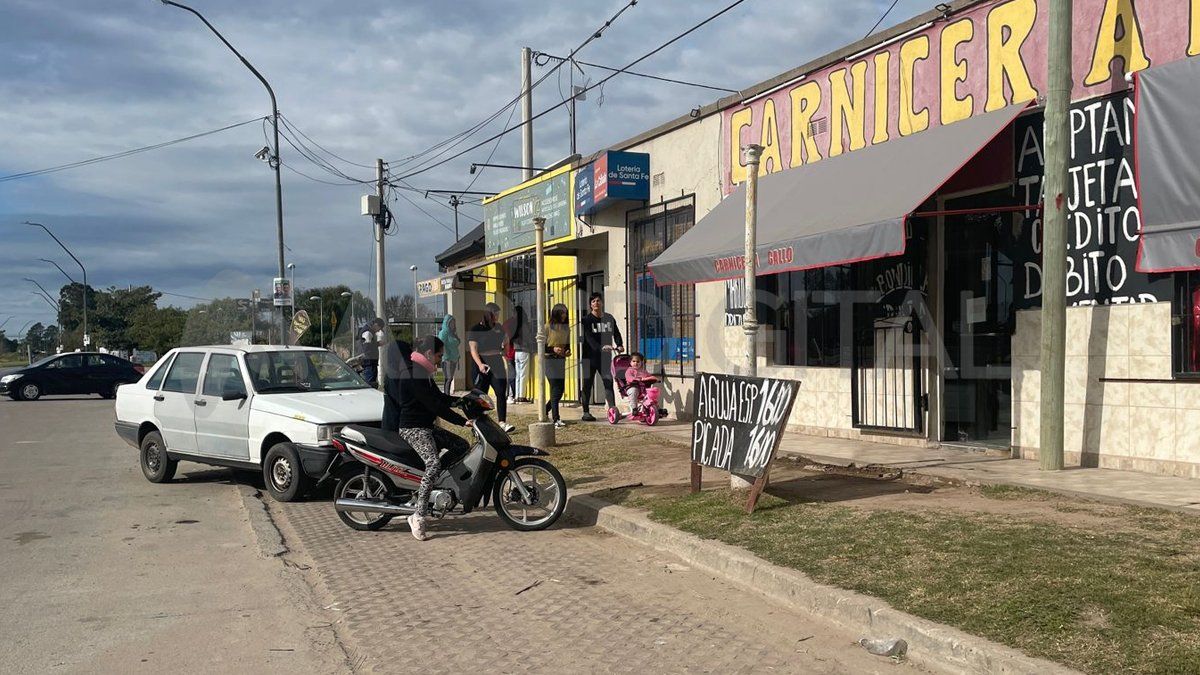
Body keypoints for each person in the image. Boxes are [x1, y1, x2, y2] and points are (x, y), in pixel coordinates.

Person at [381, 335, 471, 541]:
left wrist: (464, 402)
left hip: (426, 427)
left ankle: (437, 485)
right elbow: (434, 404)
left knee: (461, 445)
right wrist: (461, 421)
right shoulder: (414, 373)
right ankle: (418, 516)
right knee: (432, 465)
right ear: (429, 353)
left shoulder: (423, 372)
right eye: (439, 355)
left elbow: (439, 398)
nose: (441, 359)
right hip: (413, 429)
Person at [468, 302, 516, 432]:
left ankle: (502, 422)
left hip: (496, 361)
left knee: (501, 392)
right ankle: (478, 423)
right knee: (480, 395)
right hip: (482, 362)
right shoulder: (476, 329)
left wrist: (504, 352)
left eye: (498, 314)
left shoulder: (499, 327)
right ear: (488, 314)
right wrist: (480, 365)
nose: (497, 316)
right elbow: (473, 349)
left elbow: (506, 340)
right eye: (495, 314)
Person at [579, 292, 623, 421]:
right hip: (589, 357)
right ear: (590, 305)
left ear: (602, 303)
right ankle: (586, 412)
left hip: (604, 358)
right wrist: (600, 347)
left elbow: (616, 333)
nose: (596, 303)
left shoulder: (609, 318)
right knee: (587, 384)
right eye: (593, 301)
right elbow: (589, 338)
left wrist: (619, 344)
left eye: (598, 301)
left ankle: (612, 410)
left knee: (608, 383)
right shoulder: (586, 320)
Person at [544, 303, 570, 429]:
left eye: (565, 313)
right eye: (562, 313)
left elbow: (568, 343)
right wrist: (553, 349)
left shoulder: (566, 328)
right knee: (555, 389)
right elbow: (540, 345)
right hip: (549, 360)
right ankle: (556, 418)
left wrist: (567, 351)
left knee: (560, 390)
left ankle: (544, 410)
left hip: (561, 360)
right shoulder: (547, 327)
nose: (564, 315)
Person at [511, 306, 533, 403]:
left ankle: (516, 396)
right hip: (524, 350)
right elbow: (528, 338)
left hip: (516, 351)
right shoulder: (524, 325)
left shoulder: (514, 325)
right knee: (523, 374)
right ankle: (522, 396)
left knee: (518, 375)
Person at [437, 314, 460, 395]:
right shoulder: (443, 332)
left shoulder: (453, 333)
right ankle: (446, 395)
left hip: (454, 358)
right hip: (447, 359)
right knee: (448, 378)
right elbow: (440, 345)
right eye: (451, 323)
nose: (453, 324)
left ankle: (447, 394)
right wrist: (446, 356)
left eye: (454, 323)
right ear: (447, 323)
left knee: (450, 378)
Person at [359, 318, 384, 386]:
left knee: (371, 382)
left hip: (370, 362)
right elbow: (367, 348)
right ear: (376, 325)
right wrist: (378, 344)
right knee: (370, 383)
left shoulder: (369, 331)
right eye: (379, 328)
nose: (378, 331)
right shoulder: (368, 332)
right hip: (369, 362)